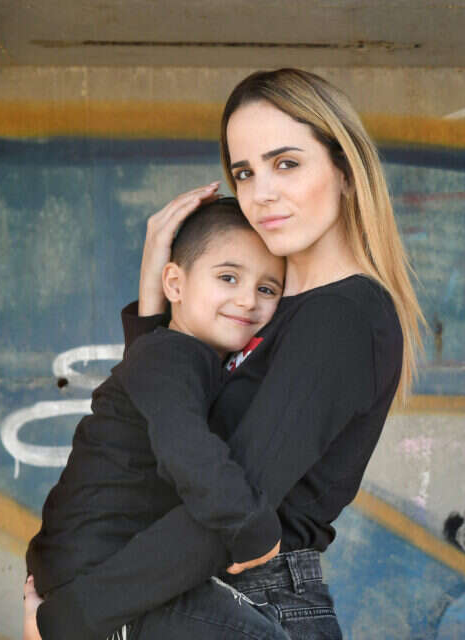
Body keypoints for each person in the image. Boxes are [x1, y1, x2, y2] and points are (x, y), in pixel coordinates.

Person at [26, 68, 424, 640]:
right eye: (244, 172)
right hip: (184, 593)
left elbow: (229, 512)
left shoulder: (342, 316)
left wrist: (68, 619)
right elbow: (163, 434)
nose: (262, 193)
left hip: (249, 603)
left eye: (286, 163)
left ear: (343, 169)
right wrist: (155, 304)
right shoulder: (271, 306)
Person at [26, 198, 288, 639]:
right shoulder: (169, 356)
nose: (248, 300)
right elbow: (187, 453)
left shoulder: (176, 356)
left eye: (267, 289)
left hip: (102, 575)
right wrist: (254, 529)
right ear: (175, 284)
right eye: (228, 277)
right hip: (94, 579)